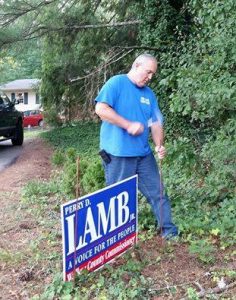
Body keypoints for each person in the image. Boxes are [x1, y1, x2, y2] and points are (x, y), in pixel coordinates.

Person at [95, 53, 178, 239]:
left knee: (159, 194)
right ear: (136, 65)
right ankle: (115, 241)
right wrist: (128, 125)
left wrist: (158, 146)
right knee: (118, 200)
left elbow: (156, 123)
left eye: (153, 74)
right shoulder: (116, 83)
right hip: (118, 155)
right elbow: (100, 109)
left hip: (143, 155)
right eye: (148, 72)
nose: (150, 77)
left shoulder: (149, 95)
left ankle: (170, 233)